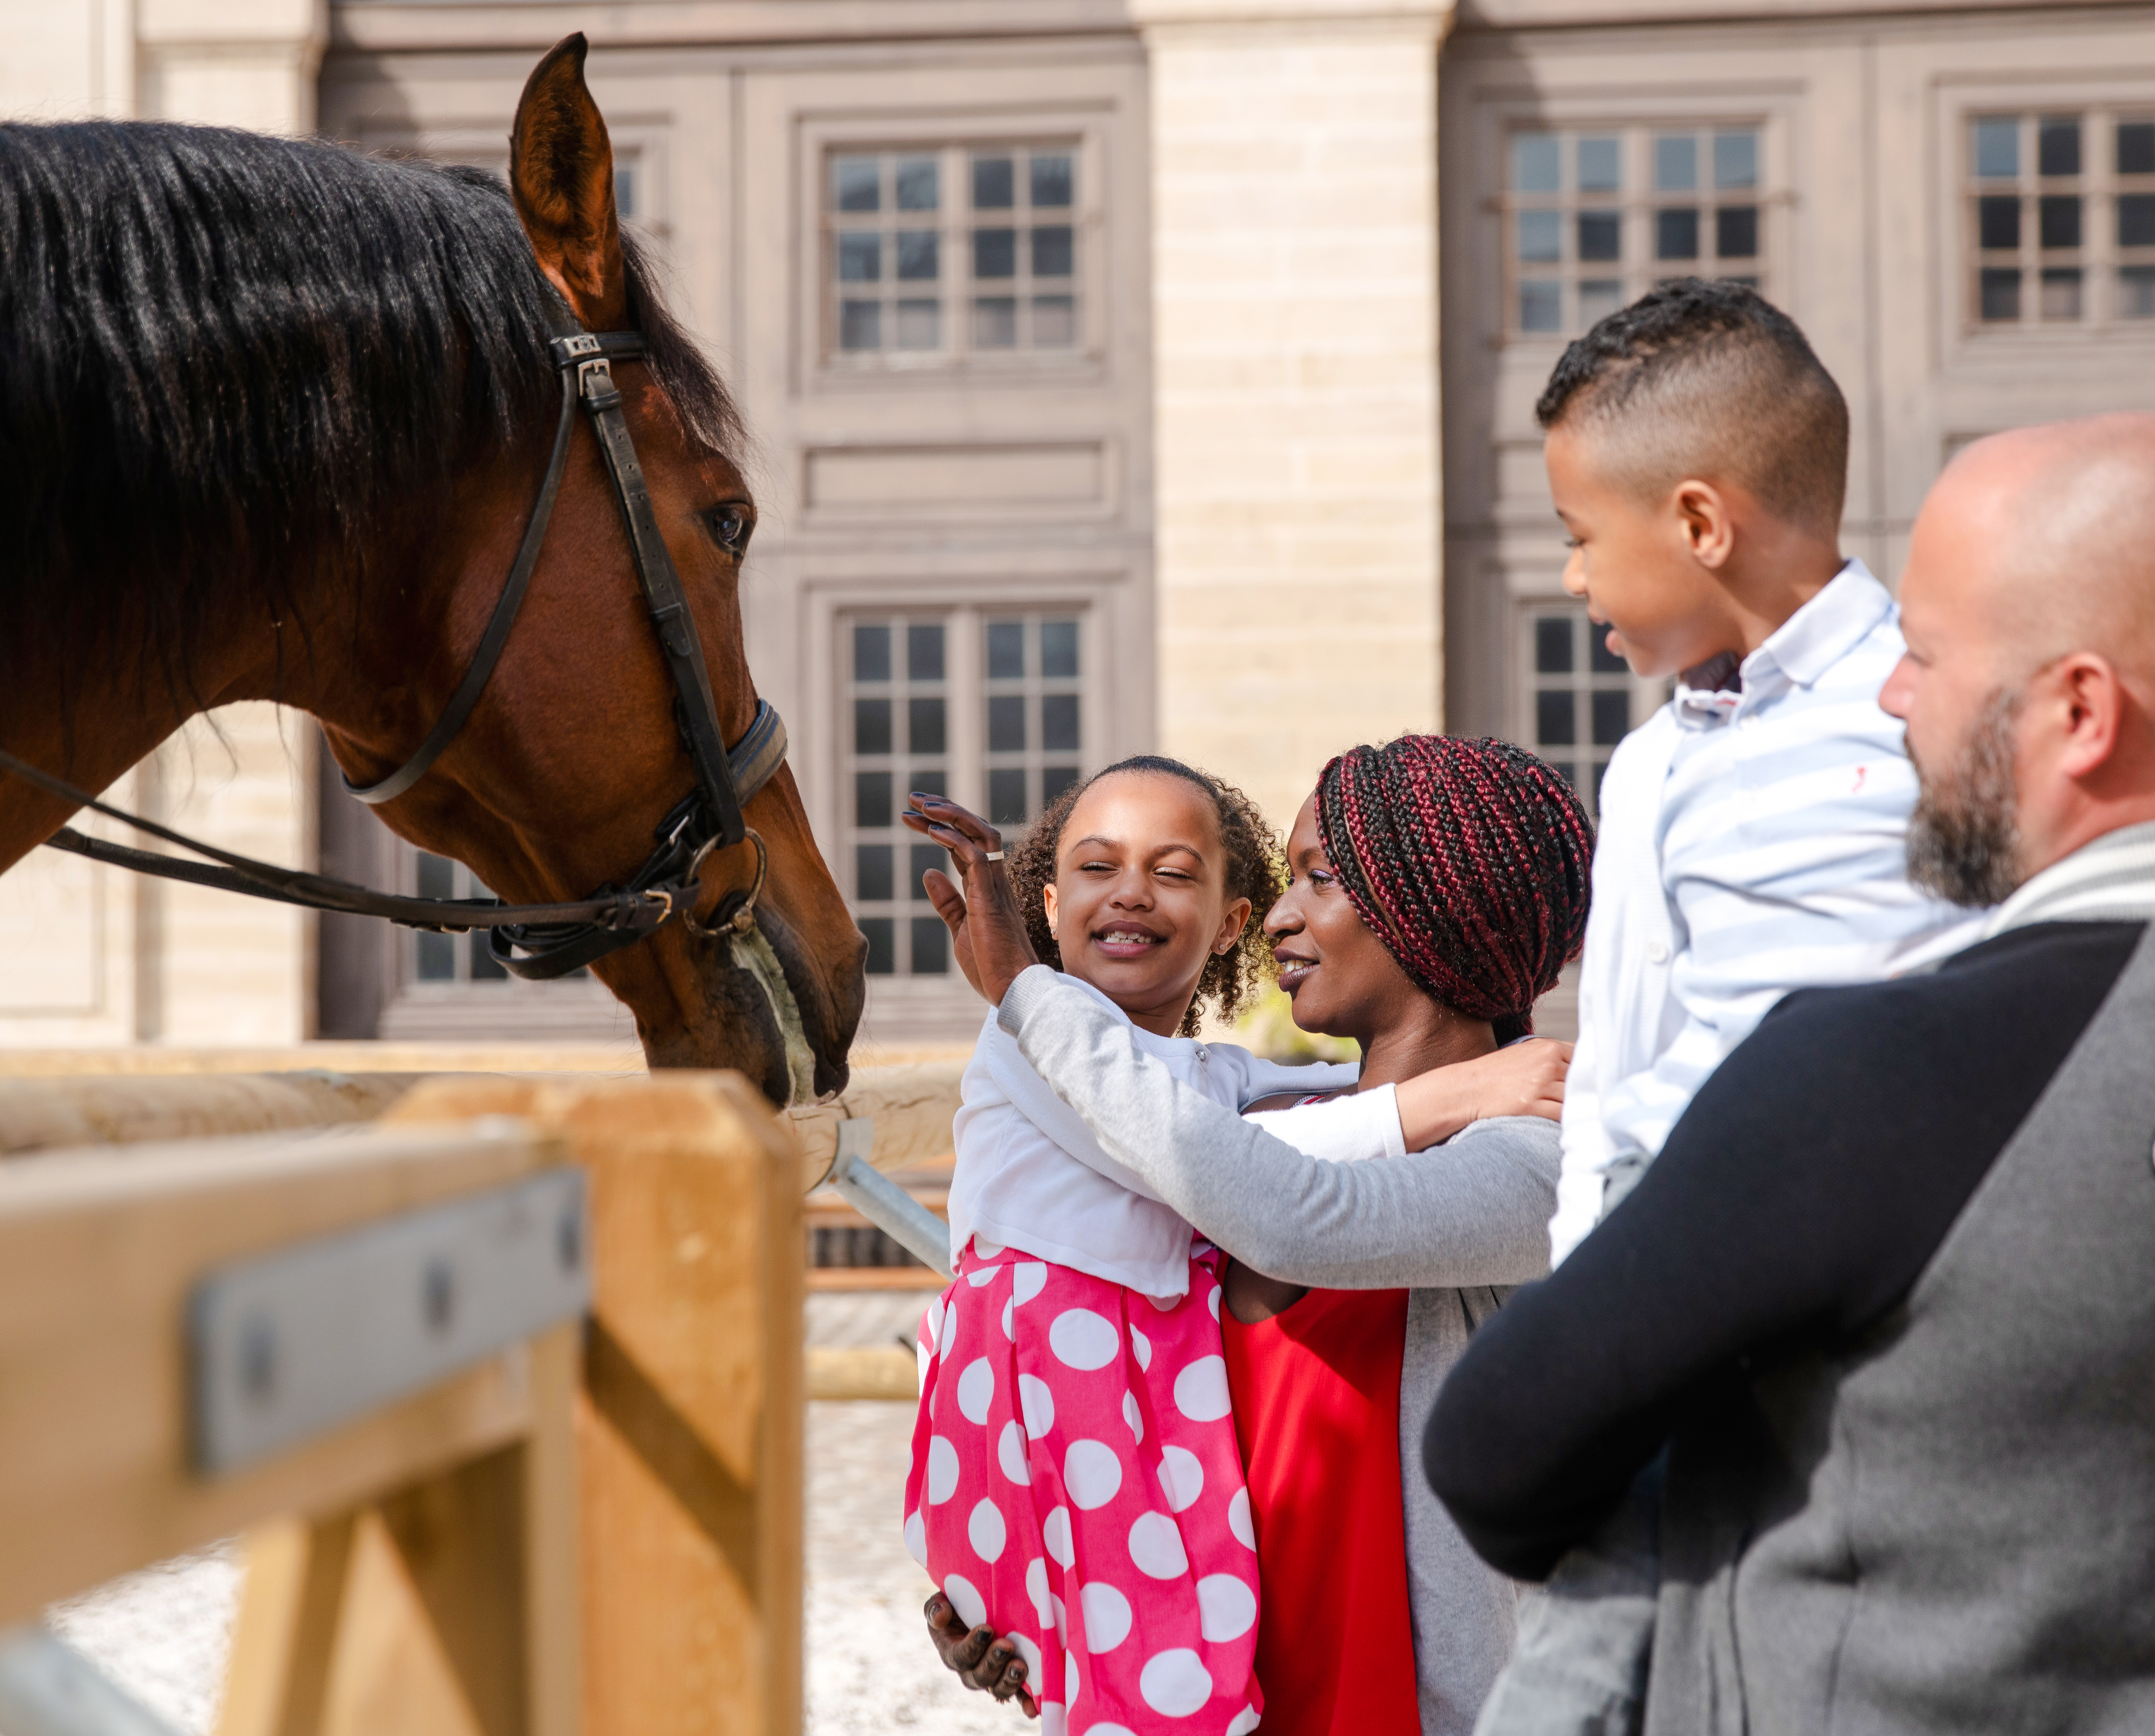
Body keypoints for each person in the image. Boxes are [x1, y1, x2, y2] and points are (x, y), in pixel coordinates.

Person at [1424, 413, 2155, 1732]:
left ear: (2078, 715)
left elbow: (1494, 1451)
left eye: (1923, 658)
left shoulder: (1873, 1081)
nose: (1888, 696)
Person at [1485, 278, 1981, 1735]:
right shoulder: (1649, 763)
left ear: (1698, 522)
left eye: (1580, 539)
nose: (1569, 582)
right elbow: (1631, 1053)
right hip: (1643, 1337)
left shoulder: (1921, 726)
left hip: (1837, 1366)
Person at [910, 731, 1594, 1736]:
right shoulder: (1252, 1139)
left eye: (1318, 879)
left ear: (1425, 905)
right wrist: (1021, 1573)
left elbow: (1293, 1217)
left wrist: (1028, 992)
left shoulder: (1531, 1157)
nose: (1279, 914)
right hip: (1226, 1697)